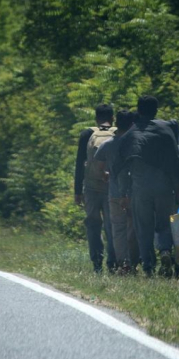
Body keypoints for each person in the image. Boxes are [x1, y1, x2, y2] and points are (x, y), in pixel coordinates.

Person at [115, 96, 179, 277]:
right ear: (156, 110)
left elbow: (122, 167)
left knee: (143, 228)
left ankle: (148, 267)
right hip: (164, 187)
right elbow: (176, 162)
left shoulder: (131, 134)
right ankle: (164, 250)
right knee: (164, 224)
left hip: (140, 188)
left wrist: (123, 193)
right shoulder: (165, 130)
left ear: (138, 110)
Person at [94, 110, 139, 274]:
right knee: (134, 228)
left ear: (116, 123)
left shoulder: (108, 143)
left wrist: (107, 175)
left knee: (118, 229)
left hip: (114, 193)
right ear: (132, 124)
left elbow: (99, 167)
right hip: (135, 193)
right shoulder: (136, 143)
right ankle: (134, 263)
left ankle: (123, 263)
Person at [74, 104, 116, 273]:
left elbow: (79, 164)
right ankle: (113, 263)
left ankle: (97, 262)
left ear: (96, 118)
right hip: (111, 188)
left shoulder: (87, 134)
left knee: (93, 224)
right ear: (112, 118)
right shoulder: (117, 133)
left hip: (91, 188)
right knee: (112, 225)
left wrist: (77, 191)